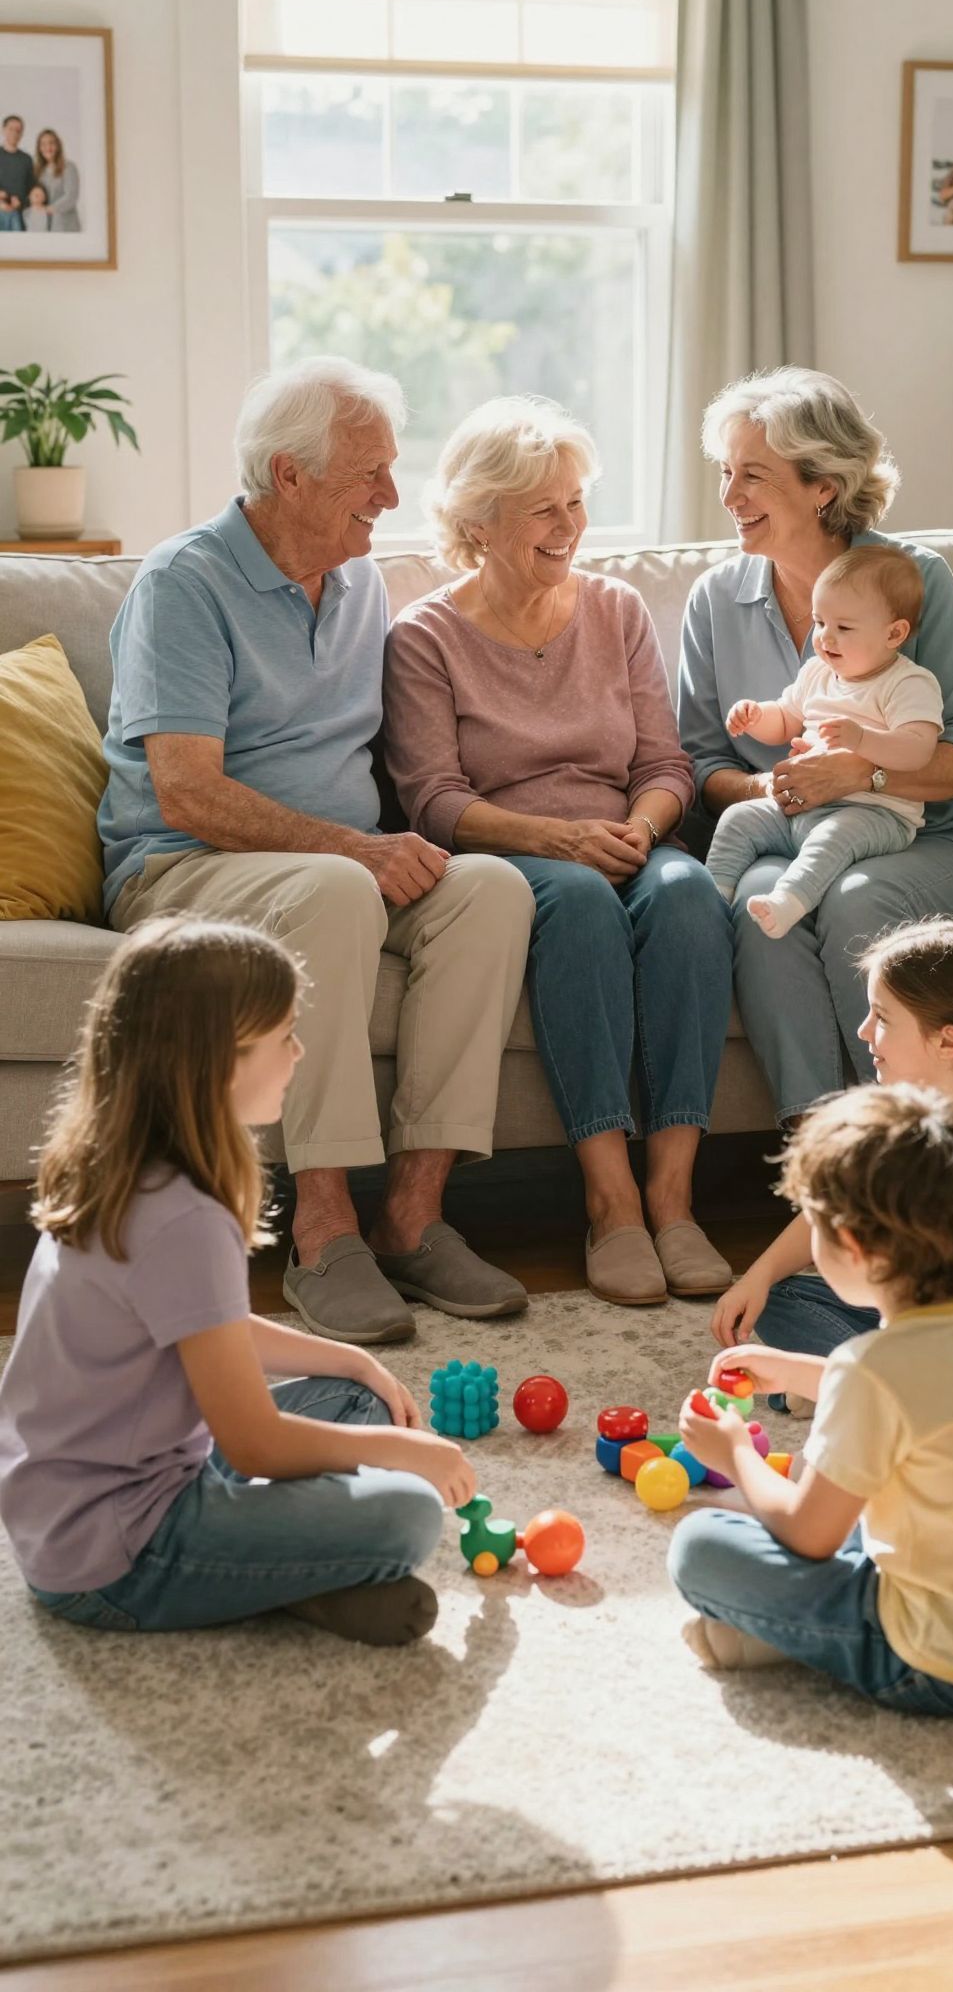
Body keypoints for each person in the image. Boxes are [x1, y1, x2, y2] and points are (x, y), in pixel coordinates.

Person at [98, 356, 536, 1344]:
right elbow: (186, 787)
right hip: (179, 865)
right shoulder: (186, 581)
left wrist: (402, 839)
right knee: (342, 888)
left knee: (493, 889)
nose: (390, 494)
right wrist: (356, 849)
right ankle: (322, 1228)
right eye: (368, 472)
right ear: (288, 474)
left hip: (328, 865)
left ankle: (414, 1213)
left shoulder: (360, 587)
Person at [0, 917, 474, 1645]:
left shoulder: (126, 1165)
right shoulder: (182, 1216)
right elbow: (254, 1444)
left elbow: (201, 1325)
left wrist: (356, 1359)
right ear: (219, 1062)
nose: (298, 1052)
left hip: (90, 1499)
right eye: (282, 1036)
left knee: (357, 1397)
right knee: (407, 1512)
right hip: (114, 1554)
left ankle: (286, 1570)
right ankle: (290, 1573)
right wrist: (411, 1457)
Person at [384, 395, 735, 1310]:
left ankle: (673, 1194)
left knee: (692, 891)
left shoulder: (616, 611)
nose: (570, 527)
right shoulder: (424, 636)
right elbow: (435, 800)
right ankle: (610, 1200)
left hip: (625, 834)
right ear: (478, 521)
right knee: (576, 902)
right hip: (513, 857)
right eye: (545, 508)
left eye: (576, 502)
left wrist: (644, 830)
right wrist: (557, 840)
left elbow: (665, 763)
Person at [668, 1084, 953, 1708]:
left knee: (699, 1547)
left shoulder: (872, 1369)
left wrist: (734, 1451)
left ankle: (803, 1638)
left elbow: (808, 1534)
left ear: (850, 1248)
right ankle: (788, 1632)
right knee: (853, 1477)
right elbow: (926, 1398)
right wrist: (795, 1371)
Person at [678, 366, 953, 1125]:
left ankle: (909, 1145)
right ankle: (821, 1150)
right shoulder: (716, 601)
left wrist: (864, 773)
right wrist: (777, 789)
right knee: (763, 905)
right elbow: (700, 765)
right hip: (788, 830)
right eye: (726, 473)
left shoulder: (912, 581)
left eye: (753, 477)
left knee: (859, 900)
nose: (730, 498)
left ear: (822, 485)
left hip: (920, 835)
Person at [713, 916, 953, 1385]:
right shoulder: (904, 1113)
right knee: (778, 1298)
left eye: (882, 1018)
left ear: (947, 1041)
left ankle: (849, 1385)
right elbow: (834, 1208)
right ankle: (877, 1384)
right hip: (923, 1309)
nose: (863, 1031)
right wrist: (758, 1275)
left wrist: (908, 1336)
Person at [705, 547, 941, 938]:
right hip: (802, 808)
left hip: (876, 816)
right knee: (739, 819)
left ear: (894, 633)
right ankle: (712, 899)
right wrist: (756, 716)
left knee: (833, 838)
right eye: (819, 622)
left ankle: (788, 901)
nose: (825, 637)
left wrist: (862, 740)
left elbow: (919, 748)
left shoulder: (907, 683)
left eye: (844, 628)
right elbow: (785, 719)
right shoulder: (818, 672)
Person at [34, 128, 81, 232]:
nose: (48, 147)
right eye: (43, 144)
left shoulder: (68, 167)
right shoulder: (38, 171)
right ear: (39, 148)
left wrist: (49, 209)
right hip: (45, 226)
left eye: (51, 143)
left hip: (66, 225)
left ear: (58, 146)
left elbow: (71, 196)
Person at [0, 113, 32, 229]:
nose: (14, 133)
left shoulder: (26, 159)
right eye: (11, 129)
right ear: (3, 130)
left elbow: (31, 188)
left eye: (18, 130)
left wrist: (21, 203)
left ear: (22, 134)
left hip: (19, 216)